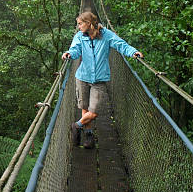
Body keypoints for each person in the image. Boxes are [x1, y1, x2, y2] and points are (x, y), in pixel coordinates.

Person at [61, 11, 143, 149]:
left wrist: (133, 52)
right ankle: (88, 136)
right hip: (82, 77)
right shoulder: (80, 37)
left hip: (99, 79)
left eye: (80, 24)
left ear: (89, 23)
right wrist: (69, 54)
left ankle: (76, 126)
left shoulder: (106, 35)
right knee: (85, 107)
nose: (79, 27)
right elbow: (75, 49)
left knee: (94, 110)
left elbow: (120, 44)